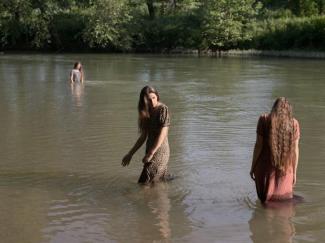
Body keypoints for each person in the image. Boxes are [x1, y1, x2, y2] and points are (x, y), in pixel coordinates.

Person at [250, 97, 300, 203]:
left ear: (274, 108)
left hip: (265, 168)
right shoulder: (294, 123)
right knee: (284, 203)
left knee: (265, 202)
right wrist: (294, 173)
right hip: (286, 168)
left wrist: (252, 167)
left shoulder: (264, 119)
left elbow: (258, 146)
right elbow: (295, 151)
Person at [122, 86, 171, 184]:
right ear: (143, 101)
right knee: (154, 182)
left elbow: (163, 134)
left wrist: (151, 153)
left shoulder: (163, 110)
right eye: (148, 100)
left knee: (144, 183)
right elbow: (143, 136)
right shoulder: (146, 113)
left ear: (157, 97)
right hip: (150, 149)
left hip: (160, 151)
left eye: (154, 98)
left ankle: (150, 198)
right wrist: (130, 154)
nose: (152, 101)